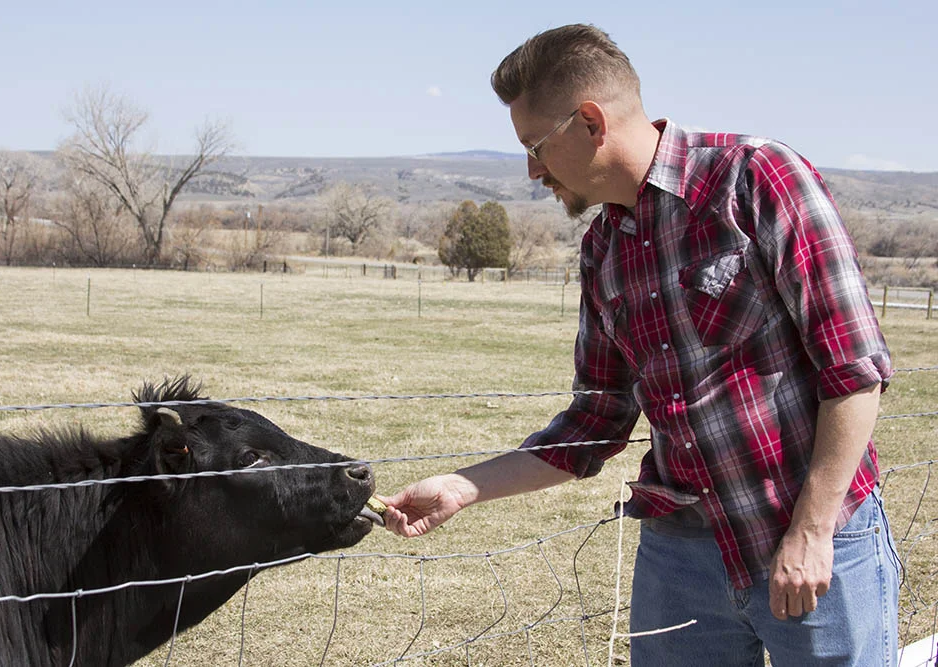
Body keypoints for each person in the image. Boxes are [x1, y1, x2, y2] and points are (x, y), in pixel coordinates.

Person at [378, 23, 901, 666]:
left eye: (535, 145)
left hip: (813, 544)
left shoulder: (756, 179)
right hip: (681, 561)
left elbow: (853, 369)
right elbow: (595, 421)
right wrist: (463, 487)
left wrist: (814, 528)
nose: (532, 169)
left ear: (591, 123)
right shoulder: (602, 250)